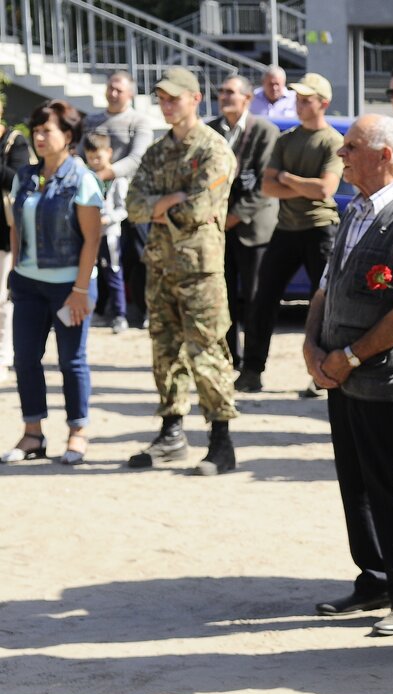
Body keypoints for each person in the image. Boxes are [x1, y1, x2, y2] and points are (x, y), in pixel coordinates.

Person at [303, 113, 393, 637]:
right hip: (344, 371)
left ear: (385, 154)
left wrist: (350, 356)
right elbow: (325, 286)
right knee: (355, 481)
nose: (341, 156)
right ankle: (375, 577)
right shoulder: (355, 208)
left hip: (387, 376)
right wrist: (312, 345)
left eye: (350, 147)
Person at [126, 67, 238, 476]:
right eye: (162, 98)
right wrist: (168, 200)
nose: (166, 104)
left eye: (174, 97)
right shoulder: (157, 151)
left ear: (196, 99)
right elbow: (132, 205)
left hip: (199, 270)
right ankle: (171, 433)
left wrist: (161, 205)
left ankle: (221, 442)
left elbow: (198, 209)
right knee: (164, 352)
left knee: (207, 352)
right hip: (159, 265)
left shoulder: (214, 149)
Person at [1, 100, 102, 466]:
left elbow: (92, 239)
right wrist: (15, 272)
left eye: (48, 130)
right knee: (26, 359)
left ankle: (77, 433)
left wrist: (79, 290)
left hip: (69, 287)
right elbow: (16, 228)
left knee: (71, 361)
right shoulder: (24, 176)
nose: (40, 137)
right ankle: (33, 434)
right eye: (37, 130)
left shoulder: (82, 178)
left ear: (68, 136)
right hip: (28, 284)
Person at [235, 73, 343, 393]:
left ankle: (320, 374)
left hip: (320, 229)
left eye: (306, 100)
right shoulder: (287, 139)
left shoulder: (332, 141)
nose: (299, 105)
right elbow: (268, 186)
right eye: (297, 99)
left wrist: (287, 178)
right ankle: (252, 370)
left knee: (322, 303)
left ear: (323, 104)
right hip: (286, 228)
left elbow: (325, 189)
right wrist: (300, 184)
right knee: (262, 299)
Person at [209, 74, 280, 371]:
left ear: (247, 98)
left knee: (255, 300)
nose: (224, 97)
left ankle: (253, 365)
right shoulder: (210, 130)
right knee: (221, 298)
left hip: (253, 228)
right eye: (221, 92)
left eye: (231, 92)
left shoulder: (265, 130)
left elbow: (266, 183)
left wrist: (234, 216)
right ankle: (228, 358)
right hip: (217, 227)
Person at [81, 71, 153, 328]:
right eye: (110, 87)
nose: (113, 93)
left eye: (119, 89)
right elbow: (82, 154)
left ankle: (144, 309)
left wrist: (103, 174)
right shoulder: (92, 121)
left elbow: (137, 158)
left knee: (139, 257)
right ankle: (105, 309)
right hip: (98, 201)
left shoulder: (140, 121)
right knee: (100, 258)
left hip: (134, 200)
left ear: (130, 93)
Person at [82, 132, 130, 335]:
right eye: (90, 157)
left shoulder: (118, 180)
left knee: (114, 272)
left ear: (109, 153)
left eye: (98, 157)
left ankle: (120, 314)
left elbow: (124, 209)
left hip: (109, 234)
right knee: (91, 273)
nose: (94, 161)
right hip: (89, 235)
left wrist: (106, 218)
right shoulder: (86, 177)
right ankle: (97, 310)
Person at [0, 95, 32, 385]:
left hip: (4, 233)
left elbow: (17, 179)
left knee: (2, 299)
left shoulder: (15, 141)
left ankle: (4, 357)